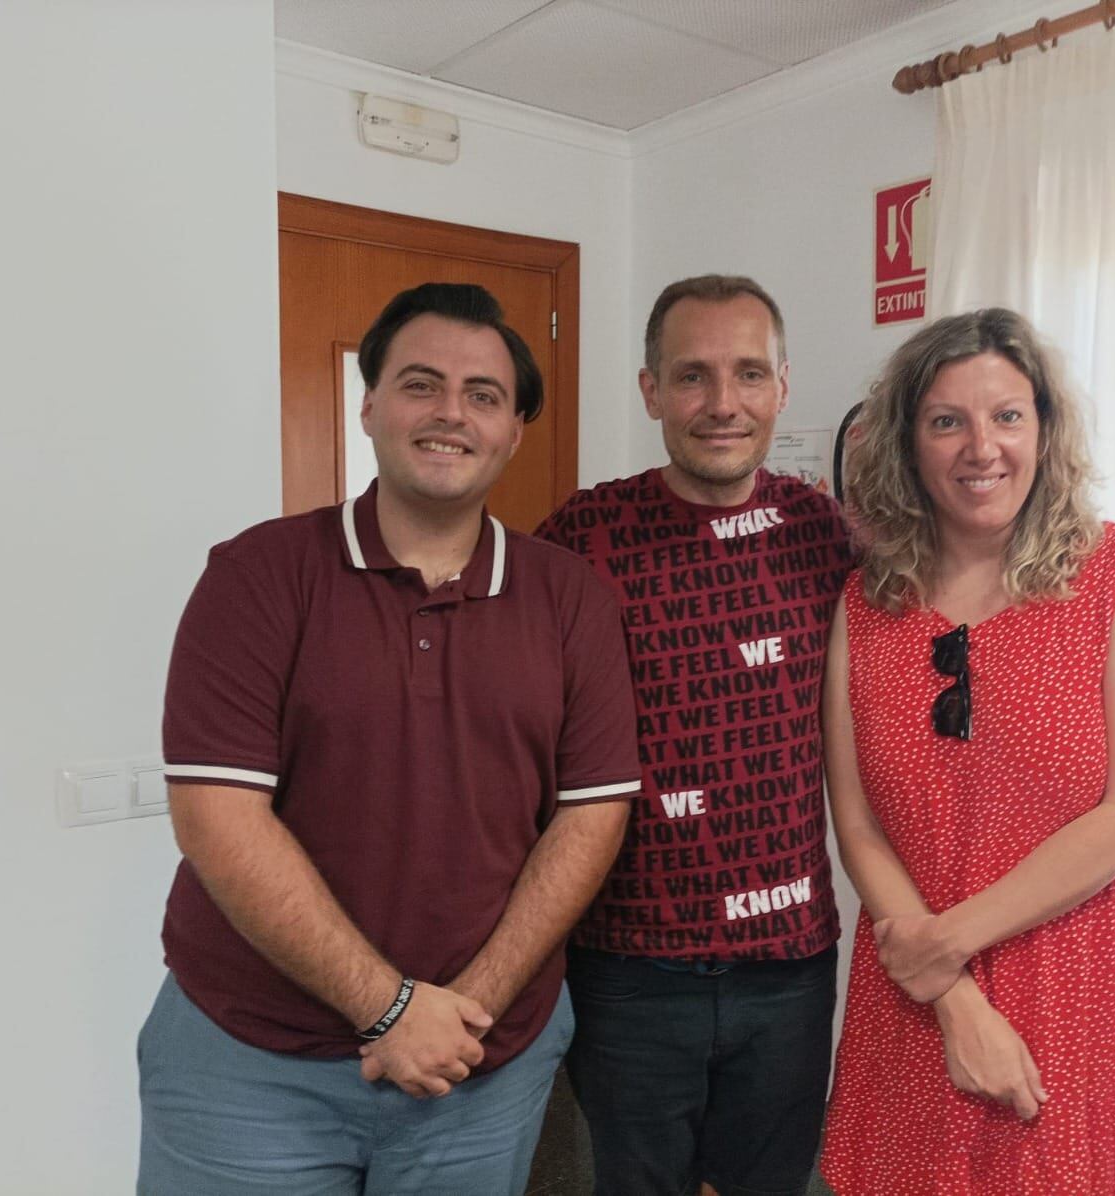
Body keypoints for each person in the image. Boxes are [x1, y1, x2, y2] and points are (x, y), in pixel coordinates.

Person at [137, 283, 641, 1195]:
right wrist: (391, 1009)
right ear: (367, 404)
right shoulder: (257, 576)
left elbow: (591, 817)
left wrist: (462, 1014)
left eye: (483, 395)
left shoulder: (571, 598)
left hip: (479, 1066)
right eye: (421, 384)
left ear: (514, 430)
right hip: (251, 1065)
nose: (452, 413)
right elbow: (218, 819)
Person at [819, 308, 1115, 1194]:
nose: (979, 447)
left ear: (1045, 429)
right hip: (917, 992)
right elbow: (860, 826)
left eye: (1007, 416)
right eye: (946, 420)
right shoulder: (865, 603)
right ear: (907, 444)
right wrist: (949, 992)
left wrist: (943, 942)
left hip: (1079, 980)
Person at [535, 274, 854, 1196]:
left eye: (749, 374)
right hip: (627, 962)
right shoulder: (582, 536)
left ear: (782, 388)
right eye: (692, 377)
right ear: (649, 391)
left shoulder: (821, 533)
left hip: (790, 960)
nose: (723, 404)